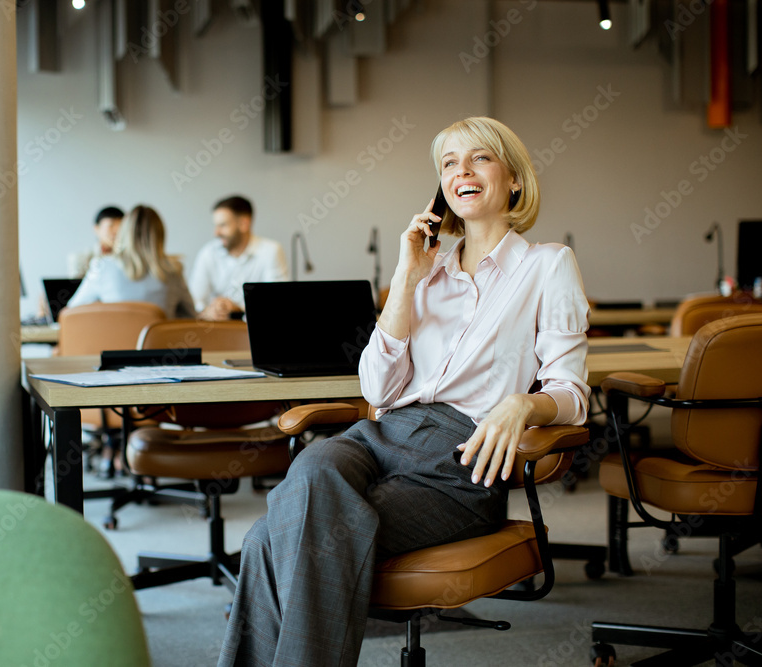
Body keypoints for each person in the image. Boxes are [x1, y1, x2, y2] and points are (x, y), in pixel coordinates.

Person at [218, 117, 590, 667]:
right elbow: (377, 387)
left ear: (514, 178)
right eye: (448, 164)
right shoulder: (426, 270)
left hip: (460, 456)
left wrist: (523, 404)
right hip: (379, 435)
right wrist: (407, 275)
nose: (461, 172)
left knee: (266, 542)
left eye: (479, 158)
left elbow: (572, 392)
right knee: (317, 463)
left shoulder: (547, 265)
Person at [66, 205, 196, 319]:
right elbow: (191, 316)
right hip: (159, 346)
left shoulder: (102, 266)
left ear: (124, 232)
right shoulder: (172, 271)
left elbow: (71, 311)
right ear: (160, 235)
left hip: (112, 345)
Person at [188, 195, 288, 320]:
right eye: (216, 225)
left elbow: (278, 303)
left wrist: (238, 309)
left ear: (244, 224)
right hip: (216, 330)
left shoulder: (271, 251)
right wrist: (208, 311)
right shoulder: (208, 253)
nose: (216, 232)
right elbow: (193, 302)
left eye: (223, 225)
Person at [66, 206, 126, 279]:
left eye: (121, 226)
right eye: (111, 226)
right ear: (96, 229)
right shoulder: (82, 259)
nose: (116, 231)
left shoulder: (131, 258)